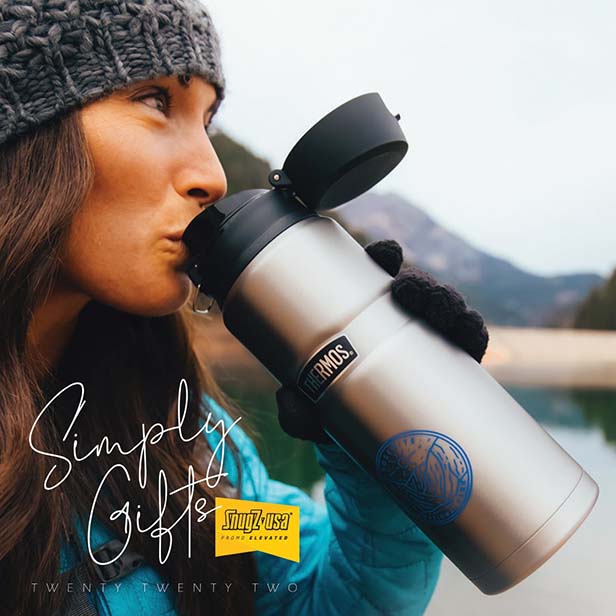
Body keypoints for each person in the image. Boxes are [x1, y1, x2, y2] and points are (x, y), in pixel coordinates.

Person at [0, 2, 489, 615]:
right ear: (20, 133)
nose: (212, 174)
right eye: (155, 100)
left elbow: (328, 593)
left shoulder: (193, 461)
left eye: (208, 120)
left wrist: (380, 436)